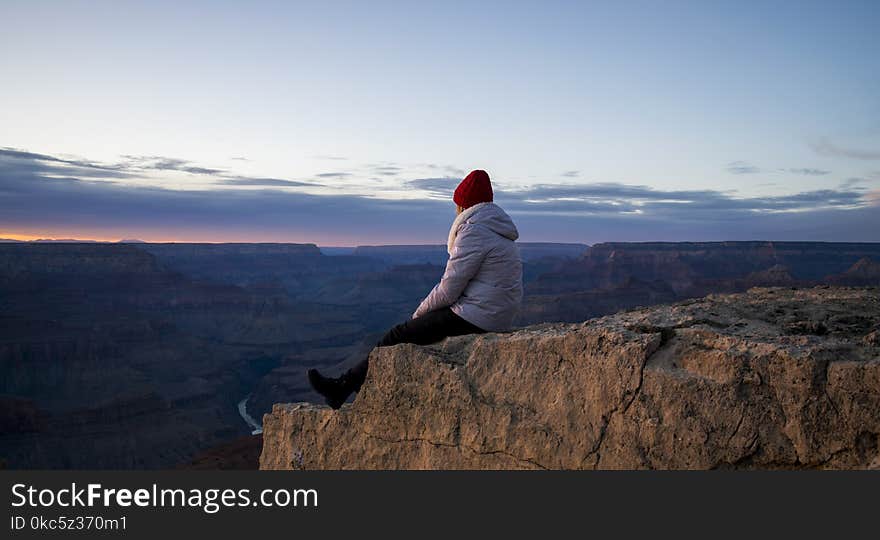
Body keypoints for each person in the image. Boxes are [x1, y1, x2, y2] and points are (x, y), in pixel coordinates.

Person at [307, 169, 524, 409]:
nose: (455, 211)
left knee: (398, 335)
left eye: (457, 205)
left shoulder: (474, 231)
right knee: (408, 332)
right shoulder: (497, 230)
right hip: (496, 314)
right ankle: (345, 385)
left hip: (478, 316)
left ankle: (342, 387)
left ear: (465, 206)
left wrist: (419, 315)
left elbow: (449, 288)